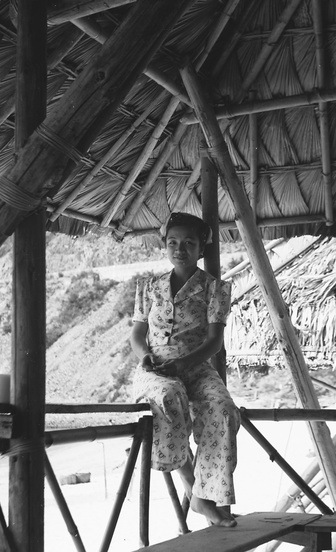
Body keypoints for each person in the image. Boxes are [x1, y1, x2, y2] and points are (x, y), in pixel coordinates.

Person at [131, 212, 240, 528]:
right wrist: (145, 357)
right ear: (165, 246)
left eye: (189, 243)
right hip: (156, 371)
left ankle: (207, 495)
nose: (180, 249)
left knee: (224, 410)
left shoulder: (214, 289)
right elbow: (137, 335)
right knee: (169, 394)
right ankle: (191, 483)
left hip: (195, 368)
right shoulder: (149, 286)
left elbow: (214, 342)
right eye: (173, 242)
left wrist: (186, 363)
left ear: (200, 250)